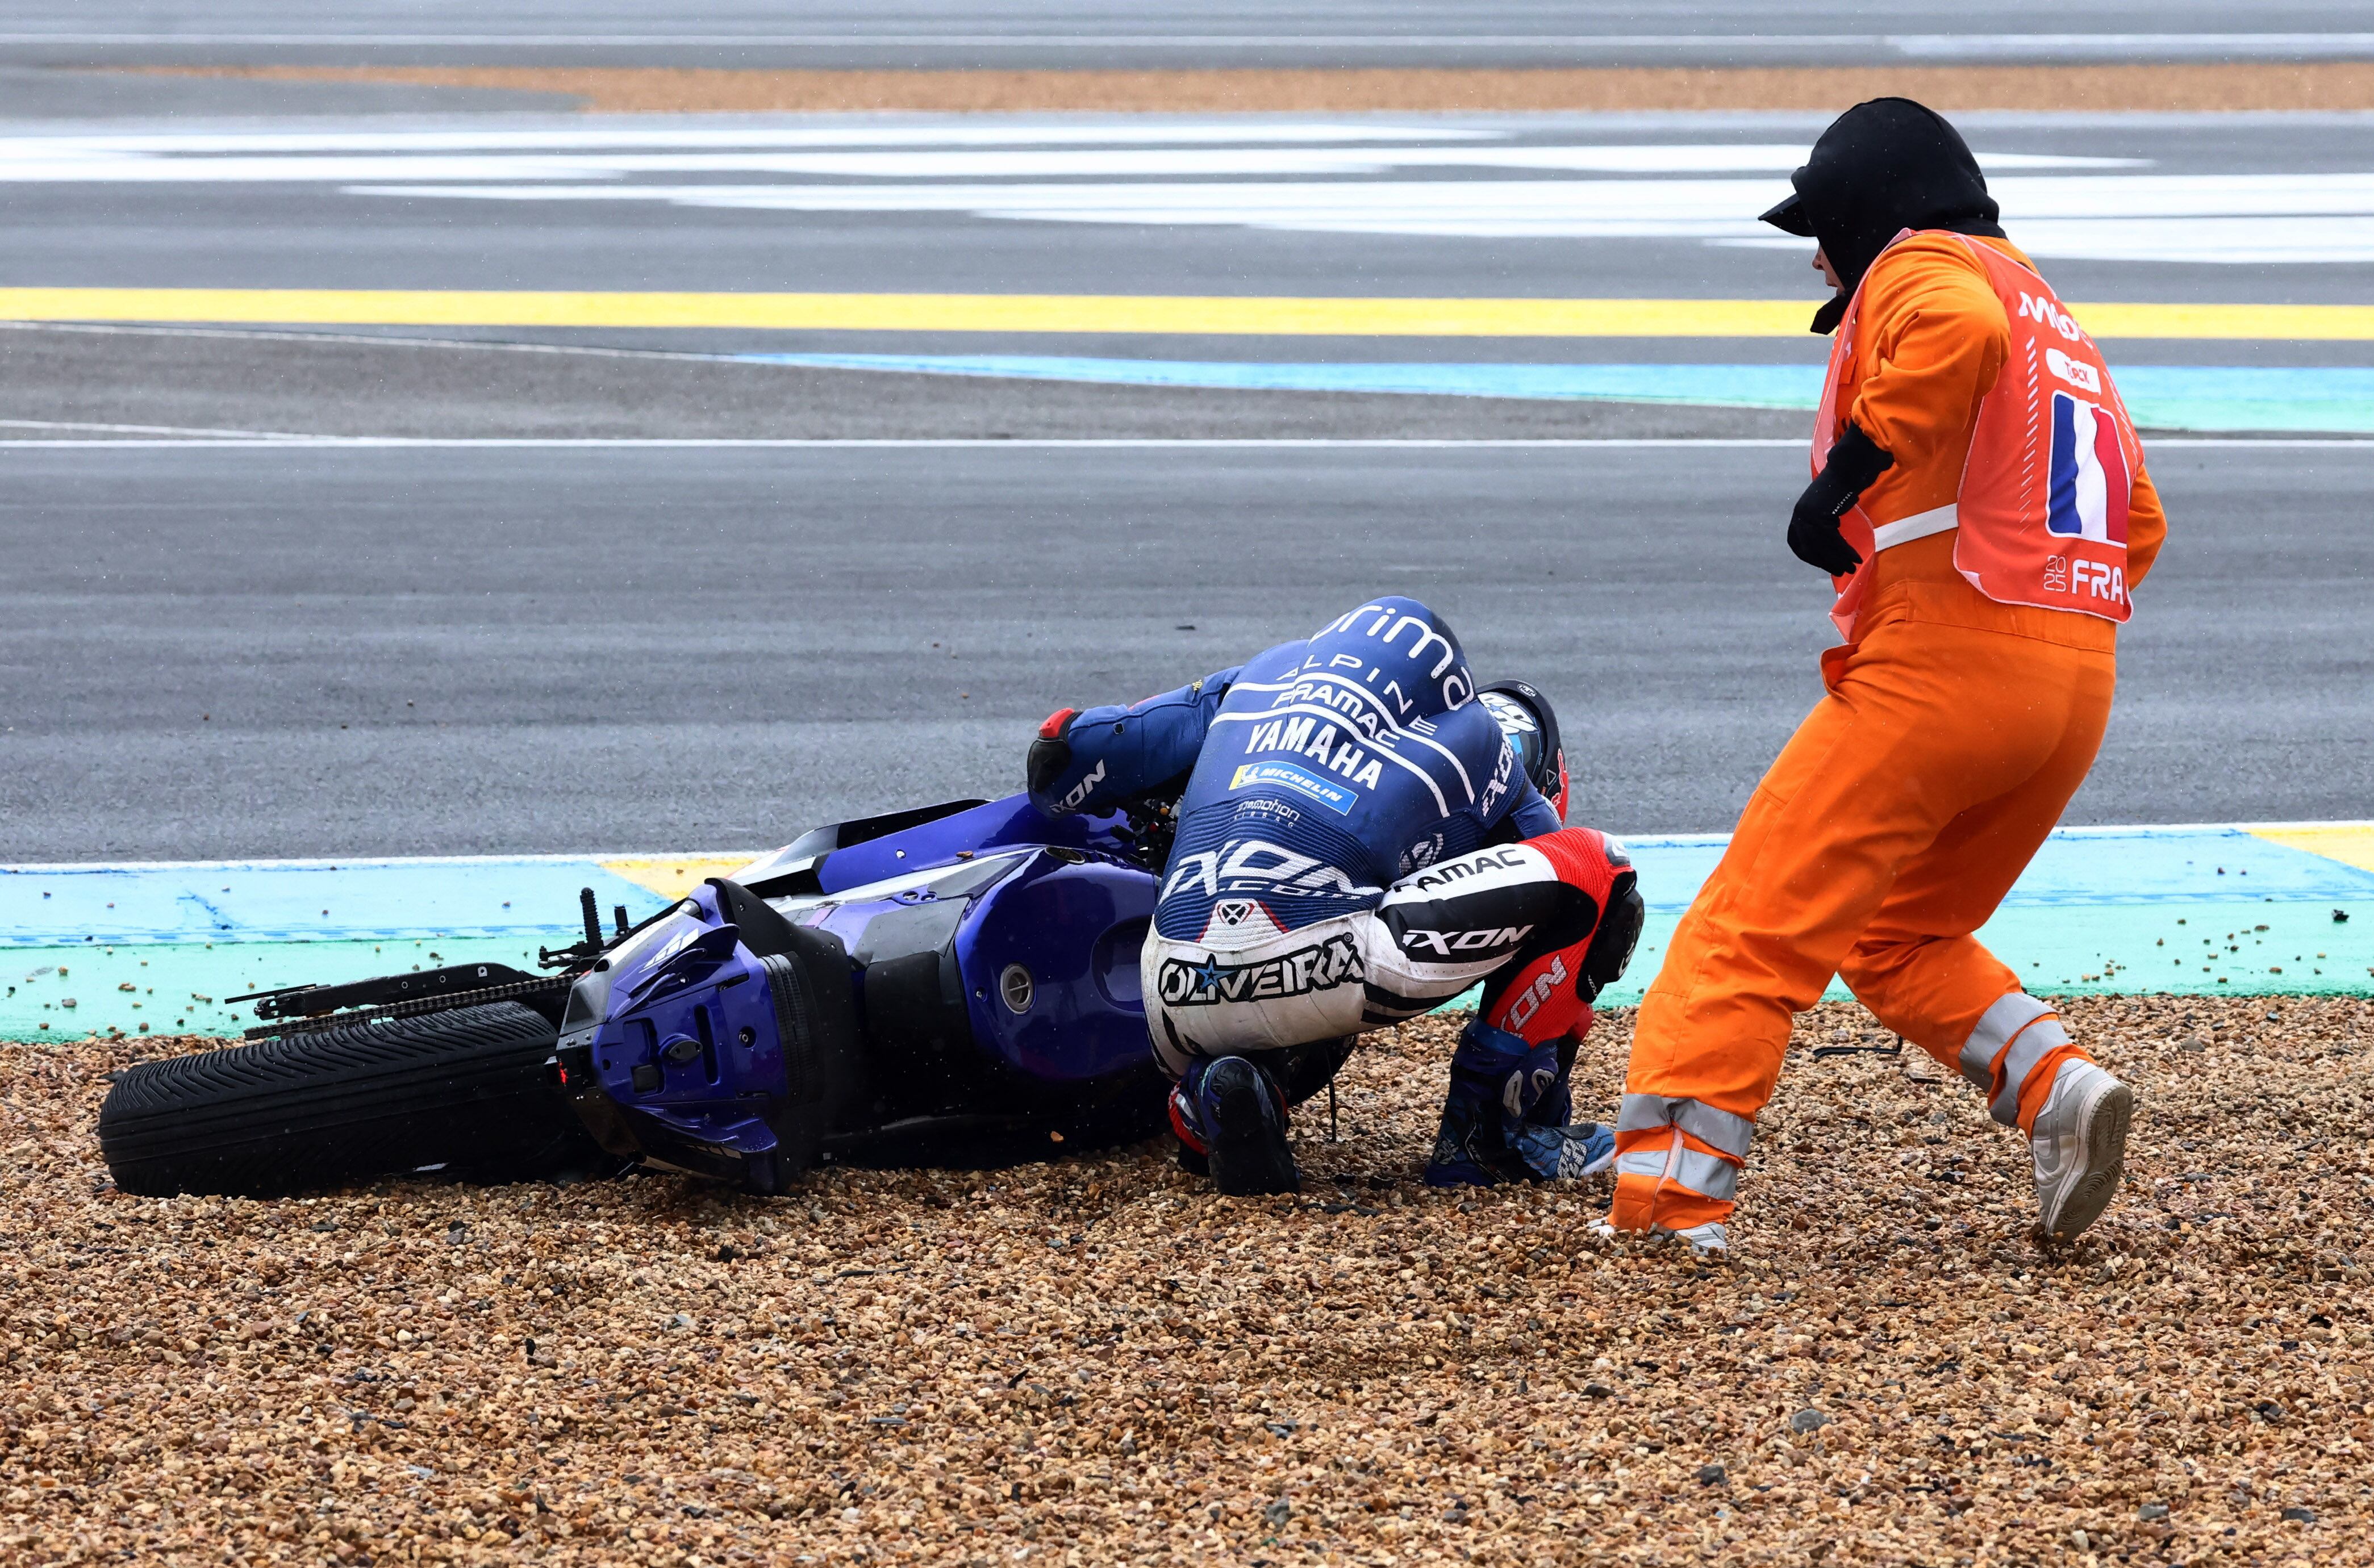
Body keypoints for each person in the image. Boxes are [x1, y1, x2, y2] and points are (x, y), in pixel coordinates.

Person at [1603, 99, 2167, 1256]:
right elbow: (2140, 522)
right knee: (1896, 934)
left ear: (1873, 203)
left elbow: (1948, 334)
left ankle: (1666, 1212)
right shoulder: (2050, 312)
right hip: (2072, 685)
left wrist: (1845, 479)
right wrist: (2043, 632)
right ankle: (2055, 1090)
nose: (1816, 257)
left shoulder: (1926, 271)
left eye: (1821, 227)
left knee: (1745, 929)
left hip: (1941, 672)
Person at [1026, 597, 1643, 1195]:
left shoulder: (1261, 677)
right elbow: (1570, 923)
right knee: (1599, 870)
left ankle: (1211, 1091)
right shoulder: (1483, 743)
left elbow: (1058, 757)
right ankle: (1490, 1139)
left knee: (1321, 908)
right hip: (1326, 960)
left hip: (1167, 985)